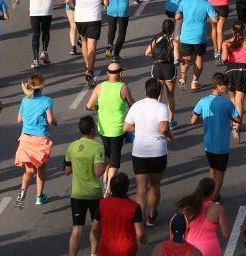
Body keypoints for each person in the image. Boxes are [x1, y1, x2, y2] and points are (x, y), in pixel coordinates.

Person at [124, 77, 172, 227]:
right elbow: (163, 128)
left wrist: (140, 129)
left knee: (141, 190)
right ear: (159, 92)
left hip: (140, 152)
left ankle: (138, 222)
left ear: (145, 90)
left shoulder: (136, 106)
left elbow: (126, 127)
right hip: (158, 152)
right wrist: (170, 136)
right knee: (155, 185)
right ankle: (151, 216)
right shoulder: (162, 107)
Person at [86, 62, 134, 194]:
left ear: (107, 73)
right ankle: (108, 189)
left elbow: (88, 106)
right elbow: (132, 105)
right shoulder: (123, 87)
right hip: (117, 130)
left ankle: (105, 178)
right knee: (115, 161)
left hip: (103, 129)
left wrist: (99, 107)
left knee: (108, 155)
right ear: (121, 74)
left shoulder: (99, 87)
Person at [191, 72, 239, 200]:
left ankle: (211, 195)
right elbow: (238, 119)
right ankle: (214, 198)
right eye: (225, 85)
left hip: (208, 144)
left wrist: (205, 118)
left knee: (212, 170)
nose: (227, 88)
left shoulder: (203, 101)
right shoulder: (227, 103)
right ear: (219, 86)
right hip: (222, 145)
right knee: (220, 173)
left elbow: (193, 120)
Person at [64, 115, 106, 256]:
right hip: (94, 194)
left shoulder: (71, 146)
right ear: (93, 130)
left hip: (77, 194)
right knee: (96, 227)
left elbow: (67, 171)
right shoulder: (98, 147)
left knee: (77, 229)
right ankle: (93, 254)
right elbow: (98, 172)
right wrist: (106, 164)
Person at [15, 72, 56, 207]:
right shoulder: (46, 100)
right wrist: (55, 122)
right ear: (41, 87)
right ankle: (39, 197)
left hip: (26, 139)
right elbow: (50, 120)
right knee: (41, 168)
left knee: (29, 171)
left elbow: (19, 120)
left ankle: (22, 191)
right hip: (40, 140)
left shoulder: (24, 100)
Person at [66, 0, 108, 86]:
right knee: (92, 46)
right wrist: (99, 3)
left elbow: (67, 0)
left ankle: (87, 66)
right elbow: (106, 3)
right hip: (94, 18)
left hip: (80, 19)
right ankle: (90, 70)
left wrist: (74, 6)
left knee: (83, 42)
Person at [15, 0, 61, 68]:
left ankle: (35, 60)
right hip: (47, 10)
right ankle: (44, 52)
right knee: (46, 32)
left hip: (34, 10)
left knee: (35, 34)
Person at [92, 171, 147, 256]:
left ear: (111, 188)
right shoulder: (134, 207)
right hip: (126, 249)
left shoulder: (102, 203)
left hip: (107, 248)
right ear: (126, 188)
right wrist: (144, 239)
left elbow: (95, 228)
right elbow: (139, 234)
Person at [176, 0, 217, 91]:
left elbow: (177, 17)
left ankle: (182, 79)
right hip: (200, 36)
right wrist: (205, 19)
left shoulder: (184, 2)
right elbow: (215, 19)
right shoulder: (206, 3)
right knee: (199, 57)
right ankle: (194, 82)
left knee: (185, 58)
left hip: (186, 35)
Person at [222, 22, 246, 142]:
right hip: (243, 70)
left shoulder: (226, 43)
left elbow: (223, 59)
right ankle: (236, 126)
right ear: (243, 31)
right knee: (240, 101)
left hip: (231, 71)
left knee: (233, 99)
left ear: (232, 31)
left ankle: (234, 122)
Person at [178, 177, 229, 256]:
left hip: (190, 248)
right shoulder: (218, 209)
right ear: (212, 192)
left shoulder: (188, 207)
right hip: (209, 248)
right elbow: (225, 234)